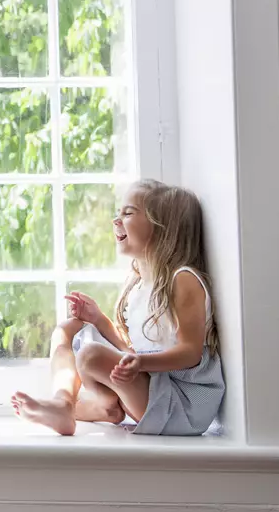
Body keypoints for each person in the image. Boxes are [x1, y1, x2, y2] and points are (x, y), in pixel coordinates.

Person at [11, 179, 223, 436]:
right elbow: (133, 352)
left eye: (128, 213)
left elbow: (190, 353)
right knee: (67, 330)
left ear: (163, 227)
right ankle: (64, 403)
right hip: (153, 388)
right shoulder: (140, 284)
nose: (116, 220)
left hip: (181, 404)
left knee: (90, 356)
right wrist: (99, 320)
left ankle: (96, 406)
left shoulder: (183, 280)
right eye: (118, 213)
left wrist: (140, 363)